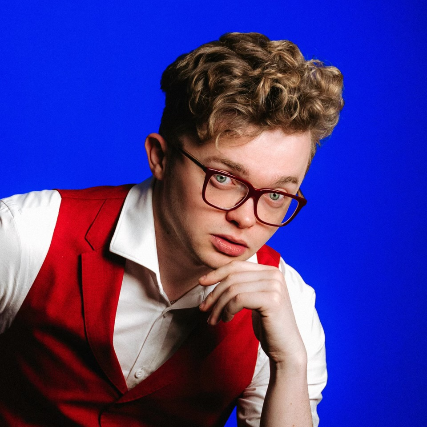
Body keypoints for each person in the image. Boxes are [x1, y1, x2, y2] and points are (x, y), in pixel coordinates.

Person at [0, 32, 343, 426]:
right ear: (160, 157)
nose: (247, 218)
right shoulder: (26, 235)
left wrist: (290, 362)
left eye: (277, 195)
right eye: (223, 178)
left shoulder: (289, 307)